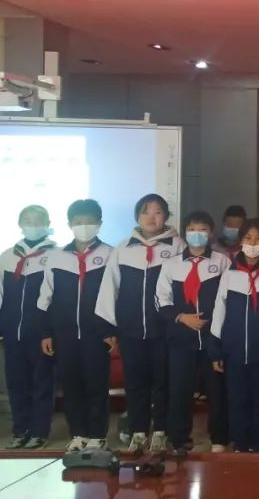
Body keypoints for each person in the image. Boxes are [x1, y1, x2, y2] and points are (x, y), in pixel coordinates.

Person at [96, 193, 183, 454]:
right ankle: (138, 431)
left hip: (164, 329)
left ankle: (161, 431)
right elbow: (110, 287)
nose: (151, 217)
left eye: (157, 212)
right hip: (130, 329)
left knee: (163, 382)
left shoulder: (178, 246)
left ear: (166, 216)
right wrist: (109, 327)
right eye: (146, 212)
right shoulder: (123, 248)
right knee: (135, 383)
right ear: (137, 216)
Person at [38, 199, 113, 453]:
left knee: (97, 386)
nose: (84, 226)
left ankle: (98, 435)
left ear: (99, 224)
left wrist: (111, 330)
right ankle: (78, 433)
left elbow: (117, 296)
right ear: (69, 224)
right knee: (71, 386)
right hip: (64, 334)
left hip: (97, 334)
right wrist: (46, 333)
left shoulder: (110, 255)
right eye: (78, 222)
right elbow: (45, 298)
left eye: (89, 221)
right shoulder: (56, 257)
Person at [156, 211, 230, 454]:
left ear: (211, 233)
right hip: (180, 339)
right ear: (185, 233)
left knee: (216, 391)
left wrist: (218, 328)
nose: (197, 234)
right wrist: (181, 317)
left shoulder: (222, 261)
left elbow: (229, 298)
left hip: (212, 339)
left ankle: (219, 437)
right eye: (192, 229)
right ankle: (179, 438)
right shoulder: (172, 264)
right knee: (180, 390)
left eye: (203, 229)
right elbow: (161, 299)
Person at [209, 218, 259, 453]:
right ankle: (240, 443)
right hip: (234, 351)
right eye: (248, 238)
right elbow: (219, 309)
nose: (253, 243)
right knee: (237, 399)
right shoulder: (230, 272)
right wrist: (216, 349)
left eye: (258, 239)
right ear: (240, 241)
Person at [0, 205, 56, 449]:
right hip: (12, 332)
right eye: (28, 220)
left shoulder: (56, 255)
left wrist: (50, 331)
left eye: (38, 220)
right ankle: (20, 430)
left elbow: (56, 298)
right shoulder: (7, 256)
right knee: (16, 383)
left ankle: (39, 432)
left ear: (48, 223)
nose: (33, 224)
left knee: (42, 383)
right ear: (20, 224)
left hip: (41, 334)